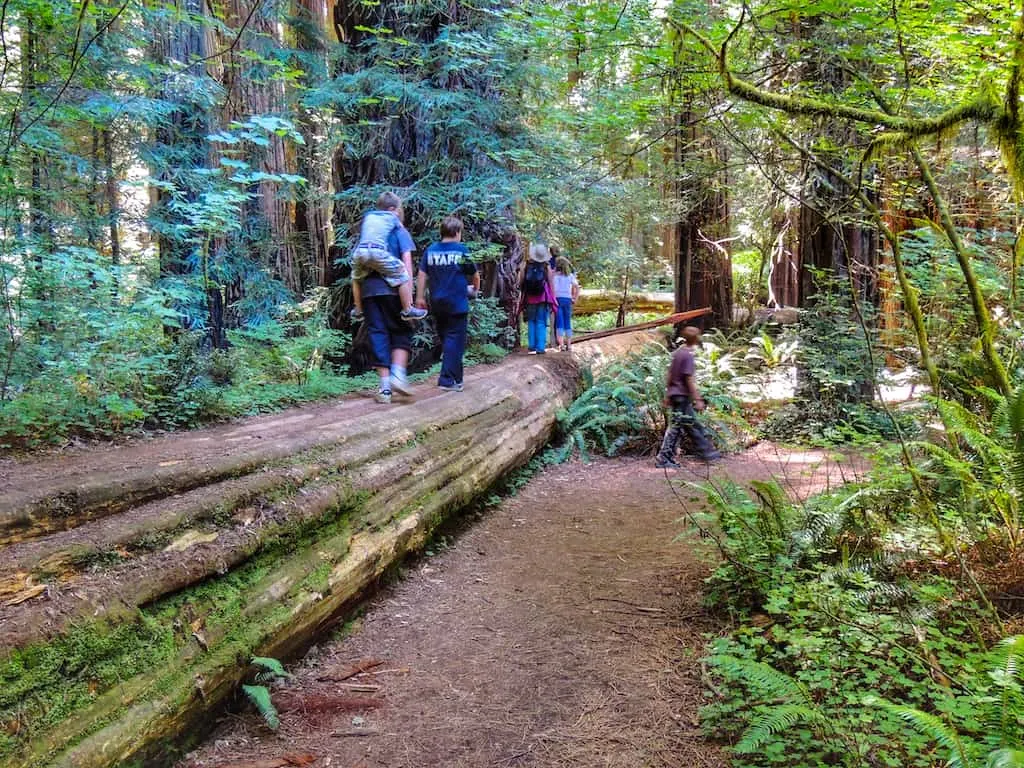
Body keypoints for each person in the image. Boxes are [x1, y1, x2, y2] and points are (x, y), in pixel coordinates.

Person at [415, 215, 480, 392]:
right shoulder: (460, 251)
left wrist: (419, 297)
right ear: (457, 232)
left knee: (448, 340)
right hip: (457, 303)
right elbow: (474, 274)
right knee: (455, 341)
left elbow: (422, 274)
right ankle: (446, 380)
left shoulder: (432, 250)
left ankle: (457, 379)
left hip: (437, 303)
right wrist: (475, 289)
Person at [349, 191, 427, 323]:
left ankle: (358, 310)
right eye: (398, 210)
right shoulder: (392, 218)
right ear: (392, 209)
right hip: (377, 252)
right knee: (401, 272)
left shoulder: (368, 216)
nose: (399, 213)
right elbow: (405, 249)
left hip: (360, 252)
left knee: (356, 278)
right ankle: (408, 309)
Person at [655, 326, 722, 468]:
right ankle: (664, 458)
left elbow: (670, 374)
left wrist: (668, 394)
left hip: (675, 394)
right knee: (678, 428)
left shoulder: (678, 353)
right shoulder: (688, 355)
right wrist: (698, 399)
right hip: (681, 396)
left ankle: (705, 452)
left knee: (687, 426)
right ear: (695, 339)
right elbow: (689, 379)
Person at [520, 243, 557, 354]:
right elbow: (551, 283)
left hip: (530, 297)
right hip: (543, 297)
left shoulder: (526, 265)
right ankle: (540, 347)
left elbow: (521, 280)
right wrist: (553, 298)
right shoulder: (546, 266)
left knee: (531, 320)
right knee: (541, 321)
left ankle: (532, 346)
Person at [552, 256, 580, 352]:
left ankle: (561, 345)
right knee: (567, 322)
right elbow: (577, 287)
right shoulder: (570, 276)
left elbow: (553, 289)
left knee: (559, 322)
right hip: (567, 300)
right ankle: (569, 345)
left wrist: (553, 299)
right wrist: (575, 298)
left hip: (557, 300)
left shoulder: (554, 276)